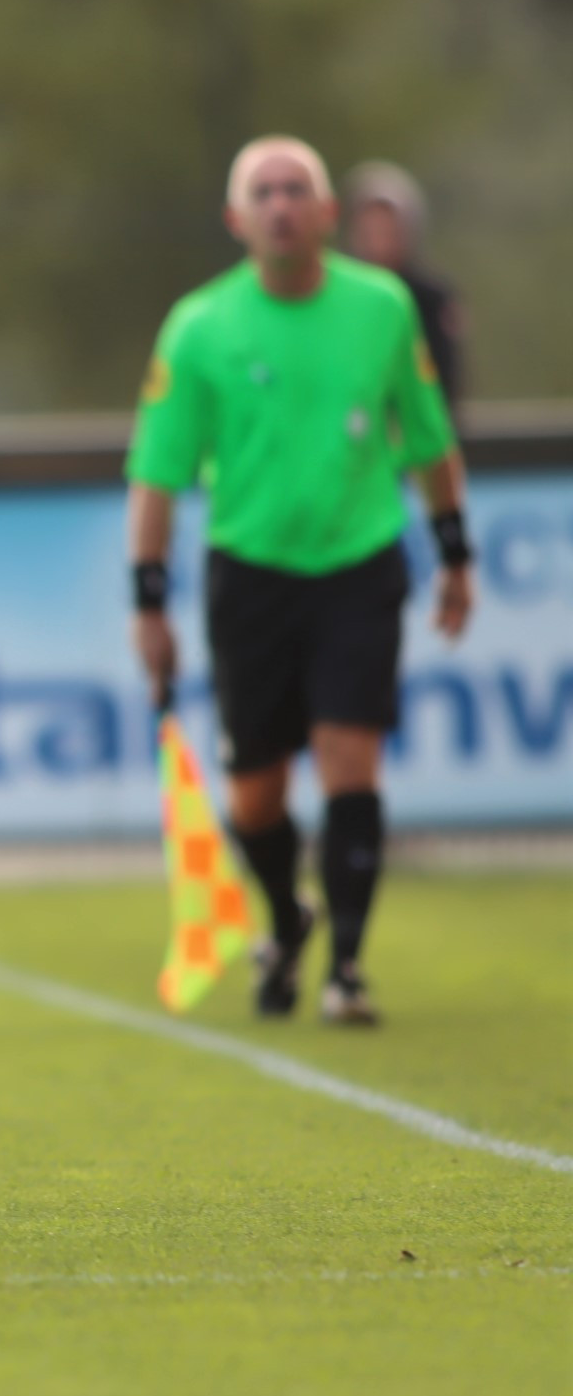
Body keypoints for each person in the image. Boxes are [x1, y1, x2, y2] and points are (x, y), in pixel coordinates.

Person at [127, 135, 473, 1028]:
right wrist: (149, 602)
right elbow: (156, 476)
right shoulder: (199, 327)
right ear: (237, 220)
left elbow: (430, 441)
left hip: (359, 563)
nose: (282, 205)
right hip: (250, 573)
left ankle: (347, 969)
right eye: (264, 192)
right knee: (257, 792)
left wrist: (456, 552)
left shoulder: (382, 308)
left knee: (351, 759)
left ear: (326, 214)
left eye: (298, 190)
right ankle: (287, 919)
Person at [342, 161, 465, 407]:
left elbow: (445, 377)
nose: (379, 236)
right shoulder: (340, 294)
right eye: (371, 226)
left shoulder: (431, 297)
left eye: (388, 226)